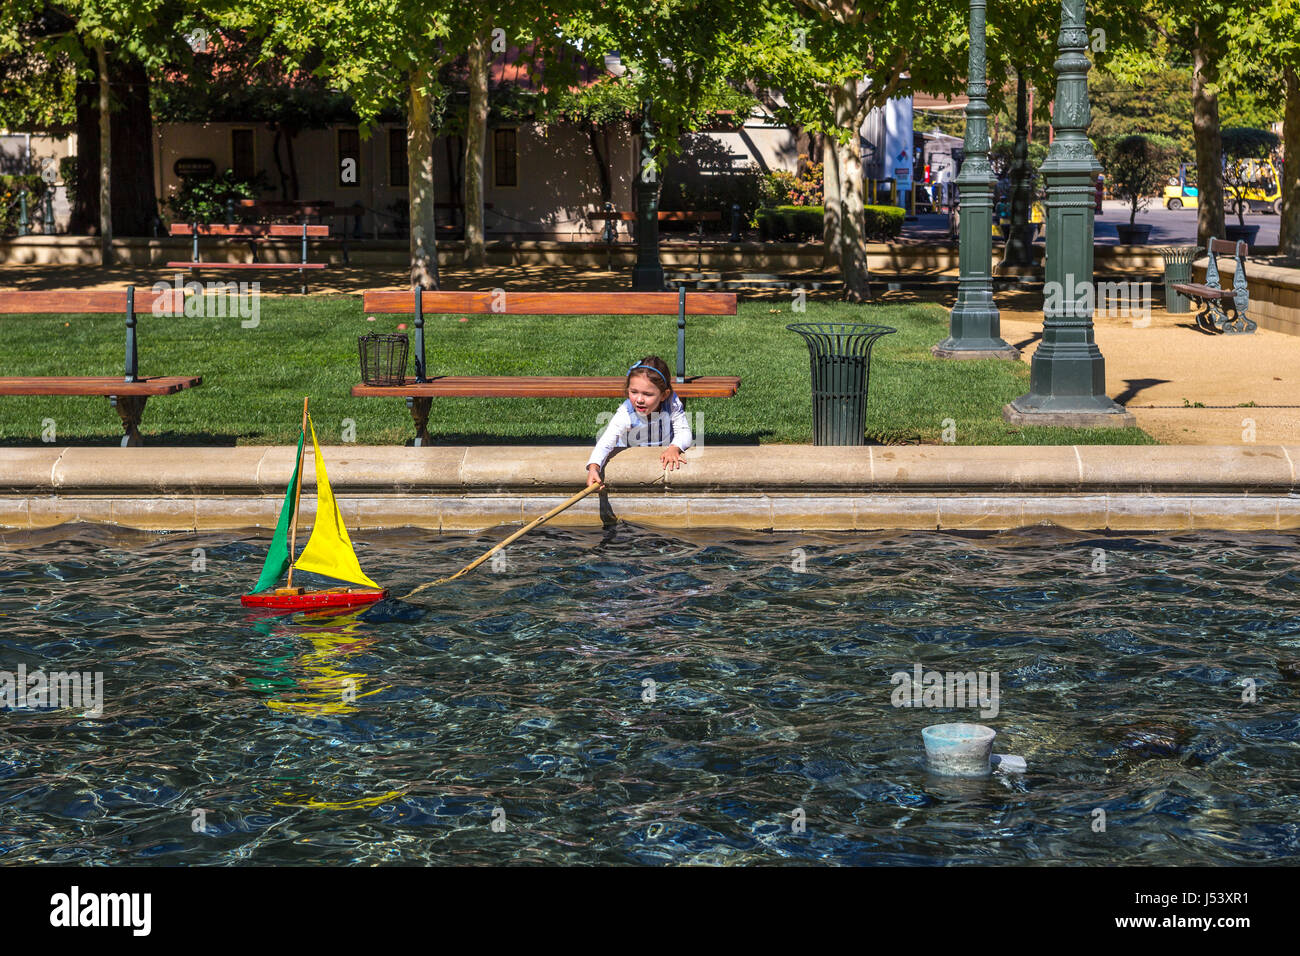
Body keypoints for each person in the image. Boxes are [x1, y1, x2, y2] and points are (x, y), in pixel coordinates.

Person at [587, 355, 692, 486]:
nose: (639, 399)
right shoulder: (626, 411)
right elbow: (606, 441)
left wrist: (674, 448)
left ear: (664, 395)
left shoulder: (671, 403)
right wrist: (594, 467)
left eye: (647, 394)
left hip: (660, 451)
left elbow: (684, 431)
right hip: (632, 454)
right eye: (634, 392)